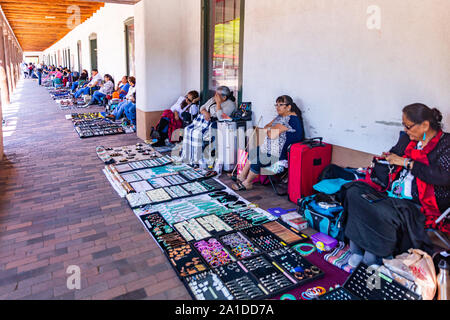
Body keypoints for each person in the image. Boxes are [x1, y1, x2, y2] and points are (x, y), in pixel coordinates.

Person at [342, 103, 449, 268]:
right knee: (354, 191)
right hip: (393, 192)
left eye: (408, 126)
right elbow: (393, 156)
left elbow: (443, 177)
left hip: (419, 202)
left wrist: (407, 162)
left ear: (425, 125)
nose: (405, 130)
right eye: (404, 126)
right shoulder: (408, 139)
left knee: (380, 211)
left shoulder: (445, 145)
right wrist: (385, 159)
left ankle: (373, 258)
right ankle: (357, 251)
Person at [231, 95, 305, 191]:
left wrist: (272, 129)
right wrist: (273, 129)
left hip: (280, 156)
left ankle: (248, 183)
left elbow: (271, 134)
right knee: (254, 152)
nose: (277, 107)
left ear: (289, 107)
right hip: (272, 150)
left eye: (281, 105)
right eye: (276, 104)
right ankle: (242, 176)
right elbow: (266, 127)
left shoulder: (291, 120)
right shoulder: (281, 117)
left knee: (257, 160)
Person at [181, 86, 237, 165]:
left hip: (215, 124)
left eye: (217, 95)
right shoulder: (212, 99)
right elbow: (202, 107)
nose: (215, 96)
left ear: (224, 97)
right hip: (203, 120)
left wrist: (218, 103)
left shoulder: (230, 105)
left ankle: (198, 159)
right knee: (188, 129)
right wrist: (205, 112)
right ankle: (188, 155)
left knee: (197, 134)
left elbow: (221, 117)